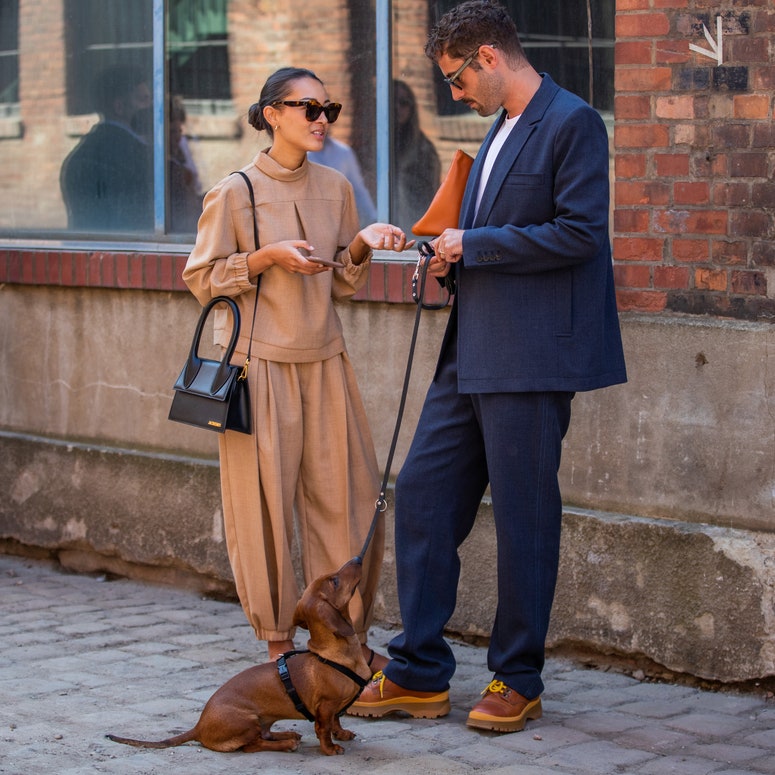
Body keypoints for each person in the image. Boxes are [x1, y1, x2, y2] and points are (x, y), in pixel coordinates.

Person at [349, 0, 626, 733]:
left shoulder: (572, 123)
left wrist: (476, 243)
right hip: (467, 351)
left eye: (455, 78)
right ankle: (416, 670)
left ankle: (517, 676)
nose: (452, 94)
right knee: (422, 498)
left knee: (524, 522)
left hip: (532, 358)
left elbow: (577, 233)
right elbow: (485, 234)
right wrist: (445, 250)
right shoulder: (496, 130)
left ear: (489, 57)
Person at [182, 67, 412, 666]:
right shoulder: (235, 191)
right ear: (271, 113)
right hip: (259, 370)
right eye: (306, 107)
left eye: (327, 108)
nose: (320, 119)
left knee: (351, 501)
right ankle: (280, 649)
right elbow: (201, 279)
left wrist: (363, 243)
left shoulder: (335, 186)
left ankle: (343, 642)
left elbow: (342, 282)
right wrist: (264, 257)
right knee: (261, 509)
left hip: (325, 361)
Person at [60, 64, 153, 231]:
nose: (151, 106)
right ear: (119, 107)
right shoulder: (139, 155)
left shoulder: (81, 153)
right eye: (143, 99)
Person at [392, 79, 441, 236]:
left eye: (404, 103)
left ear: (411, 108)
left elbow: (432, 197)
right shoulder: (372, 144)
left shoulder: (423, 149)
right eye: (392, 101)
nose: (397, 107)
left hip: (412, 230)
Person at [309, 133, 377, 227]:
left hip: (338, 224)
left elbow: (358, 190)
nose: (322, 120)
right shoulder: (301, 153)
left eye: (329, 117)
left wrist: (373, 219)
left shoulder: (343, 152)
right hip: (309, 222)